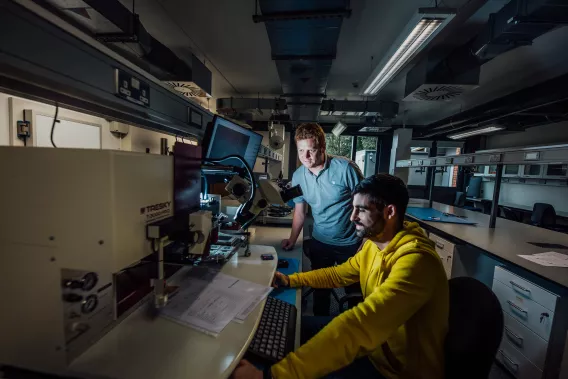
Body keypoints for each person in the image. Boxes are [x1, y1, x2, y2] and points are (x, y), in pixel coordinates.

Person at [233, 174, 449, 379]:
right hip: (375, 350)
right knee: (292, 330)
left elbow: (362, 324)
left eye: (361, 210)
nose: (352, 217)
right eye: (352, 208)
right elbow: (339, 274)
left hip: (394, 372)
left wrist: (271, 376)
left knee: (291, 351)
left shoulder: (417, 262)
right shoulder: (376, 244)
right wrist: (291, 280)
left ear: (389, 212)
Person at [282, 122, 363, 316]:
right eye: (301, 150)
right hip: (320, 242)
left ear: (323, 148)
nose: (305, 157)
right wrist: (292, 239)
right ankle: (320, 330)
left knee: (356, 295)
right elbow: (300, 212)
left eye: (311, 150)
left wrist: (366, 242)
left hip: (351, 244)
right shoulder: (298, 176)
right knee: (321, 293)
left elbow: (366, 208)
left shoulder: (346, 169)